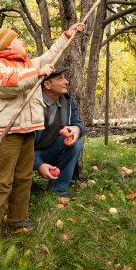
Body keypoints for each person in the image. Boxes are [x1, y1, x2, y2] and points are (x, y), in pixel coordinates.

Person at [0, 23, 84, 250]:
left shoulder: (28, 64)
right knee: (1, 181)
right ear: (7, 44)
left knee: (24, 177)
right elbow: (8, 84)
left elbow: (50, 56)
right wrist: (37, 72)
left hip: (28, 131)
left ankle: (17, 220)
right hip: (9, 132)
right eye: (17, 38)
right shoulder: (0, 65)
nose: (21, 40)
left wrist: (68, 35)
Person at [34, 66, 85, 196]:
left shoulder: (67, 102)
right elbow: (21, 143)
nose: (66, 82)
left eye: (64, 78)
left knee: (76, 143)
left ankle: (57, 190)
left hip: (49, 150)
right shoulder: (32, 104)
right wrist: (39, 164)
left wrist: (76, 129)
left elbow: (78, 123)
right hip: (27, 153)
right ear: (47, 84)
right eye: (60, 78)